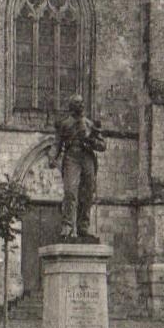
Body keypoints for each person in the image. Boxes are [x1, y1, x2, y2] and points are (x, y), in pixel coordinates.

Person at [50, 94, 105, 241]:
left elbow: (102, 145)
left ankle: (83, 227)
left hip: (87, 157)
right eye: (77, 103)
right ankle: (67, 227)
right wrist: (52, 156)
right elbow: (57, 143)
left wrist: (91, 141)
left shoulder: (89, 124)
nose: (81, 106)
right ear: (71, 106)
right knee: (70, 192)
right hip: (72, 157)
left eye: (82, 103)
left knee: (87, 193)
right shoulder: (65, 124)